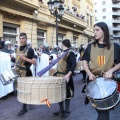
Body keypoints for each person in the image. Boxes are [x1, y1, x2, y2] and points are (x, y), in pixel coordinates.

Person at [82, 22, 120, 120]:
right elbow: (84, 62)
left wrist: (111, 70)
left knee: (104, 110)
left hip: (108, 82)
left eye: (97, 30)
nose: (94, 32)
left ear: (104, 31)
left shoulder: (115, 46)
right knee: (100, 109)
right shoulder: (90, 46)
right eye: (94, 30)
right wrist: (89, 74)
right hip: (93, 81)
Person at [53, 39, 76, 118]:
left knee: (67, 94)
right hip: (59, 76)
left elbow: (74, 64)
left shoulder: (70, 53)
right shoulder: (63, 53)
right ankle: (61, 110)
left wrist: (69, 74)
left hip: (66, 76)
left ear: (62, 44)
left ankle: (67, 110)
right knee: (59, 94)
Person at [16, 33, 36, 116]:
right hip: (19, 71)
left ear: (26, 39)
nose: (21, 40)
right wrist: (15, 65)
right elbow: (18, 59)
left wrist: (24, 58)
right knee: (21, 89)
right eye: (20, 38)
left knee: (25, 90)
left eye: (23, 38)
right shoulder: (17, 48)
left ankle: (24, 108)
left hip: (26, 72)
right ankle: (28, 101)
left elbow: (34, 62)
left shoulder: (30, 49)